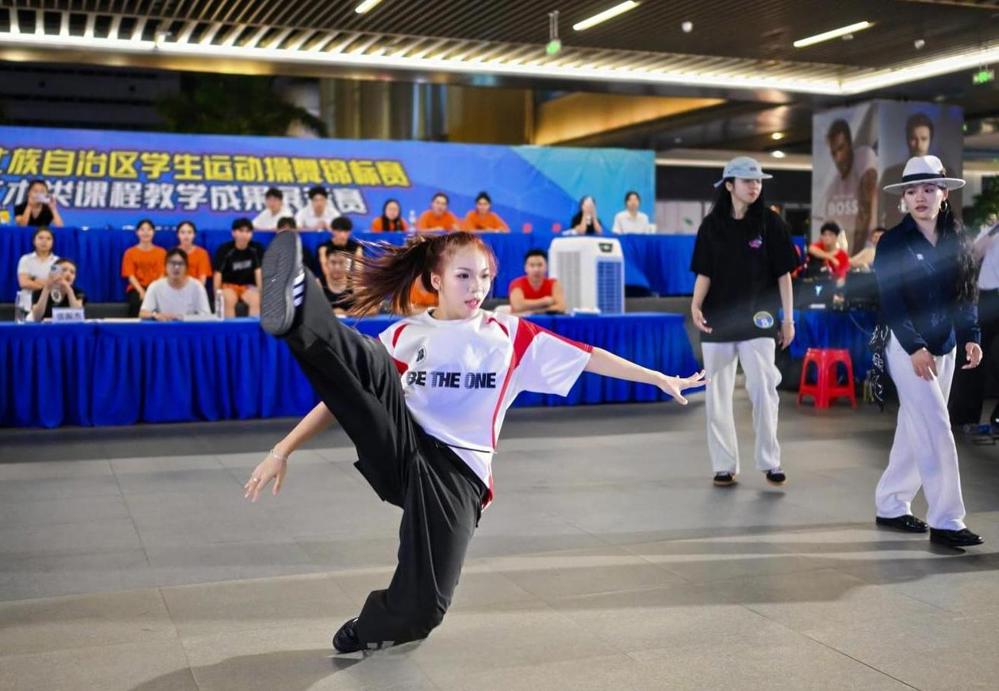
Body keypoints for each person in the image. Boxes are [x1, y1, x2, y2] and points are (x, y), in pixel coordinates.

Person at [246, 230, 706, 653]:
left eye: (484, 276)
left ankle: (371, 626)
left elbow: (589, 358)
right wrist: (281, 450)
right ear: (436, 280)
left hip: (459, 474)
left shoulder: (507, 335)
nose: (477, 287)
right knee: (370, 360)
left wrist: (657, 377)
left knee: (423, 612)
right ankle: (301, 309)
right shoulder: (407, 333)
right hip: (403, 448)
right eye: (464, 276)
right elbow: (344, 391)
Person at [873, 155, 983, 549]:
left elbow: (965, 296)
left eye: (929, 189)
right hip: (907, 348)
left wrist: (971, 336)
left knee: (914, 425)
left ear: (944, 194)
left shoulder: (957, 239)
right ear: (903, 198)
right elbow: (892, 302)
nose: (920, 197)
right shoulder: (892, 242)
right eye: (912, 191)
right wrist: (915, 346)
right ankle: (947, 519)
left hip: (946, 347)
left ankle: (890, 504)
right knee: (936, 427)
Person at [690, 156, 798, 487]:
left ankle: (770, 461)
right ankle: (724, 465)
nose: (755, 186)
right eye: (748, 181)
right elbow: (704, 272)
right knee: (717, 395)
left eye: (758, 181)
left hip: (759, 319)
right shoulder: (711, 226)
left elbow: (784, 275)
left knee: (764, 387)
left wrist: (789, 319)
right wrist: (695, 304)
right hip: (718, 319)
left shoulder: (771, 223)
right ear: (729, 185)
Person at [949, 220, 999, 430]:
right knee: (973, 356)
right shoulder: (990, 230)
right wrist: (994, 230)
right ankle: (965, 415)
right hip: (986, 297)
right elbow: (973, 254)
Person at [881, 113, 961, 228]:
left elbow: (955, 213)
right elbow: (883, 211)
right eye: (914, 139)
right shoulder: (891, 174)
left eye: (923, 139)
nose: (918, 145)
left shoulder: (947, 173)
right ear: (907, 140)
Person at [817, 119, 878, 253]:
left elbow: (865, 210)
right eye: (833, 153)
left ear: (850, 144)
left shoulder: (864, 156)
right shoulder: (832, 188)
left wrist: (853, 256)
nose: (838, 158)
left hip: (869, 250)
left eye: (841, 148)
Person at [139, 248, 212, 321]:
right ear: (165, 266)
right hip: (164, 326)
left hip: (189, 327)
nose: (176, 267)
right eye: (172, 263)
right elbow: (143, 313)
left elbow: (206, 316)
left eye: (180, 264)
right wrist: (155, 315)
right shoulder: (155, 286)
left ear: (186, 268)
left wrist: (182, 318)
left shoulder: (197, 287)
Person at [213, 218, 264, 318]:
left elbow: (258, 271)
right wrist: (216, 294)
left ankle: (252, 328)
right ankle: (230, 328)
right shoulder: (224, 249)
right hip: (229, 286)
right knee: (228, 299)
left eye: (248, 231)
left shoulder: (257, 249)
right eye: (241, 231)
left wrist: (261, 292)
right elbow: (218, 273)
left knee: (256, 299)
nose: (244, 235)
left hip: (248, 287)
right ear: (233, 233)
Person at [121, 219, 167, 318]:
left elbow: (162, 274)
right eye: (142, 229)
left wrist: (152, 291)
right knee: (135, 303)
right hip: (137, 288)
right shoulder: (130, 253)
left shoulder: (162, 252)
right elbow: (130, 275)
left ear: (153, 232)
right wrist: (141, 291)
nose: (146, 232)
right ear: (137, 232)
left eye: (149, 229)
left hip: (157, 287)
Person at [507, 249, 566, 314]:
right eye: (532, 265)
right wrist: (544, 301)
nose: (536, 269)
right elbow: (518, 306)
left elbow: (561, 307)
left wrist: (534, 311)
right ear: (525, 268)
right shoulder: (516, 283)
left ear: (546, 267)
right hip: (522, 320)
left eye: (540, 265)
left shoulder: (554, 284)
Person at [17, 226, 58, 293]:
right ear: (34, 241)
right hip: (28, 298)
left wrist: (33, 278)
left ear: (53, 242)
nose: (44, 241)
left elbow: (55, 285)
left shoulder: (57, 261)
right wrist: (47, 286)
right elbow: (23, 283)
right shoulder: (25, 259)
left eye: (48, 238)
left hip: (48, 298)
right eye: (40, 238)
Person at [174, 220, 212, 285]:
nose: (186, 236)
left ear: (194, 235)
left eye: (189, 232)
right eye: (182, 232)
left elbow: (202, 280)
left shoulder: (202, 253)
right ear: (178, 235)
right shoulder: (172, 253)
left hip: (195, 288)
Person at [320, 249, 355, 316]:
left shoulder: (355, 283)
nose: (337, 267)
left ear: (347, 264)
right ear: (326, 263)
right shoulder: (318, 284)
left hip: (350, 322)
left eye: (341, 263)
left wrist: (345, 314)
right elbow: (311, 310)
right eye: (333, 262)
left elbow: (372, 309)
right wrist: (332, 314)